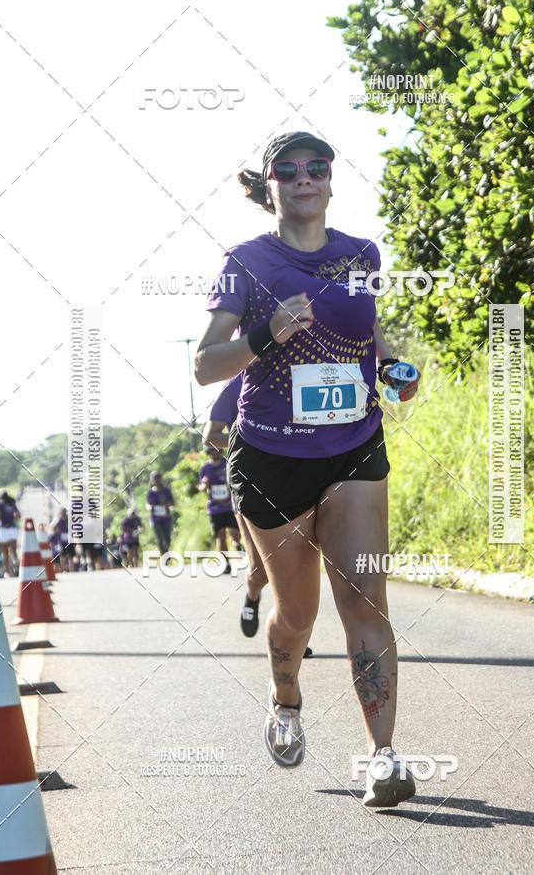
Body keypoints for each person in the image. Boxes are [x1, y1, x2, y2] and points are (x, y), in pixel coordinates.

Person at [194, 131, 420, 808]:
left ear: (330, 178)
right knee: (297, 612)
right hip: (271, 458)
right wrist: (265, 337)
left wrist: (391, 369)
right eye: (287, 171)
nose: (303, 179)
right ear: (270, 186)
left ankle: (383, 758)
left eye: (316, 168)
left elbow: (367, 336)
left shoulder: (360, 254)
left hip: (354, 445)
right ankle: (285, 695)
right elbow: (204, 365)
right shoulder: (245, 262)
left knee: (364, 603)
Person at [203, 376, 313, 657]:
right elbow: (210, 435)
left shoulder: (297, 370)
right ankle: (252, 595)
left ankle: (294, 633)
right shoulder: (237, 382)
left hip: (299, 472)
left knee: (299, 560)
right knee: (262, 568)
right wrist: (257, 433)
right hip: (251, 477)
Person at [197, 447, 242, 575]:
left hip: (230, 505)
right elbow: (200, 486)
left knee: (235, 532)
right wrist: (204, 484)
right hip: (215, 508)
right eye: (211, 450)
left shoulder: (227, 462)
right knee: (220, 535)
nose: (214, 452)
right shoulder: (205, 468)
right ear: (208, 452)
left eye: (215, 449)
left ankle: (236, 543)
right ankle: (226, 563)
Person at [145, 472, 174, 554]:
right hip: (155, 520)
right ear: (152, 481)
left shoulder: (166, 491)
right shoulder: (150, 493)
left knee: (167, 539)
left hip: (166, 519)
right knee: (159, 538)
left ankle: (166, 552)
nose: (157, 480)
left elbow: (172, 502)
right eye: (155, 479)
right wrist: (150, 507)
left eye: (159, 478)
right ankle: (163, 555)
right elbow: (147, 504)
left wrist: (166, 504)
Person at [0, 489, 20, 577]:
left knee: (5, 552)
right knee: (13, 550)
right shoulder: (12, 504)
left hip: (3, 530)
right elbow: (18, 516)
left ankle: (7, 572)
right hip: (12, 529)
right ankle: (15, 562)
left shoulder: (0, 504)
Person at [50, 507, 74, 573]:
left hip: (69, 540)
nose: (64, 514)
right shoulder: (59, 520)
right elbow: (52, 526)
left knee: (71, 556)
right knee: (62, 556)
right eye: (62, 512)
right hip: (62, 541)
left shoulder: (69, 519)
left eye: (65, 512)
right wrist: (57, 518)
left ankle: (71, 570)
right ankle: (64, 570)